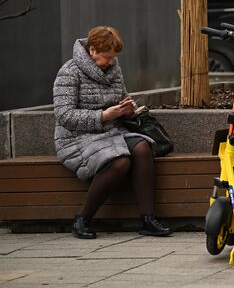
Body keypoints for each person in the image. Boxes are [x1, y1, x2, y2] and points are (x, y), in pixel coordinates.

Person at [53, 26, 172, 239]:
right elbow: (64, 116)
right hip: (76, 138)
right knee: (120, 161)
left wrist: (127, 109)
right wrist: (104, 115)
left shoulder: (114, 69)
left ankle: (148, 218)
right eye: (106, 57)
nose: (110, 61)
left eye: (113, 57)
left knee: (142, 148)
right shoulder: (69, 72)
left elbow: (122, 97)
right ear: (92, 50)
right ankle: (83, 219)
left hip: (112, 131)